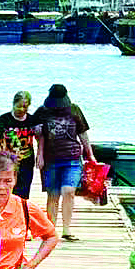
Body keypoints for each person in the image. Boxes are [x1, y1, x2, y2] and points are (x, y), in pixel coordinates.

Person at [34, 82, 91, 240]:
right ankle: (50, 230)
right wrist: (39, 154)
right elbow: (38, 135)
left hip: (72, 158)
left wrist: (90, 155)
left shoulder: (74, 110)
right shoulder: (42, 112)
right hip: (51, 160)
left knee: (68, 191)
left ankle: (66, 229)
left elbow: (83, 134)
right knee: (53, 195)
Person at [0, 90, 40, 199]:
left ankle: (21, 213)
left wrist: (40, 155)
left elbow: (40, 138)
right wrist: (1, 155)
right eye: (19, 107)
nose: (22, 110)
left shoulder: (32, 120)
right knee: (9, 189)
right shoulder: (4, 119)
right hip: (9, 161)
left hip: (27, 160)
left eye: (25, 107)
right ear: (13, 104)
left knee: (24, 191)